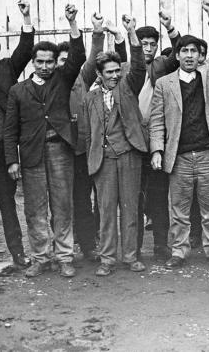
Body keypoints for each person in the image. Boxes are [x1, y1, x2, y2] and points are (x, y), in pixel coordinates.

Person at [149, 7, 209, 269]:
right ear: (177, 55)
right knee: (178, 210)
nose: (190, 55)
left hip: (208, 155)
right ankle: (179, 251)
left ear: (200, 56)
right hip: (178, 156)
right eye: (185, 51)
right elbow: (156, 121)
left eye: (194, 51)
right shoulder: (164, 84)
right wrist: (157, 150)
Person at [4, 4, 87, 278]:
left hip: (60, 151)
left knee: (63, 205)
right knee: (35, 208)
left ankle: (64, 257)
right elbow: (10, 130)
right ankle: (41, 257)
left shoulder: (63, 80)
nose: (44, 66)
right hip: (31, 156)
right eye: (39, 62)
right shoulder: (18, 91)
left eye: (49, 61)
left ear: (55, 63)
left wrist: (73, 24)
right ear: (32, 62)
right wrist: (12, 161)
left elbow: (78, 55)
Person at [84, 14, 147, 276]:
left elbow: (140, 65)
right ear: (99, 74)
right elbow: (89, 134)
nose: (114, 75)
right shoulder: (91, 97)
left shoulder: (127, 87)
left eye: (116, 71)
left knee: (131, 209)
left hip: (129, 156)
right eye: (108, 72)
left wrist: (130, 33)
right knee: (106, 211)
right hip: (104, 161)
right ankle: (108, 259)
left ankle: (131, 257)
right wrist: (93, 159)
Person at [64, 15, 127, 262]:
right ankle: (88, 245)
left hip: (98, 151)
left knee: (105, 201)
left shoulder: (83, 79)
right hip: (76, 152)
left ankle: (103, 242)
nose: (63, 66)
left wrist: (98, 32)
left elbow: (92, 58)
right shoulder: (59, 84)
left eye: (65, 61)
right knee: (81, 201)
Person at [0, 0, 34, 267]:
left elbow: (26, 50)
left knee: (7, 203)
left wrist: (26, 18)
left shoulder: (6, 69)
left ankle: (18, 253)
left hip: (0, 150)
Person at [135, 12, 181, 262]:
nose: (149, 49)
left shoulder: (160, 65)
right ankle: (135, 250)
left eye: (153, 44)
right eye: (144, 44)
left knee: (158, 196)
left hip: (158, 140)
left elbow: (179, 51)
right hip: (133, 141)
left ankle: (161, 246)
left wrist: (170, 27)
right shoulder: (125, 66)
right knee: (134, 198)